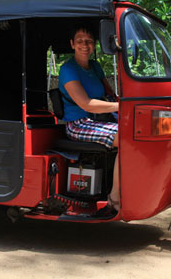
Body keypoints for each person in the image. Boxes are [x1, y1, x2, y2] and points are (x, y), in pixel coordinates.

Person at [59, 26, 120, 215]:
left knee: (140, 131)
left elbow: (109, 95)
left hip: (100, 120)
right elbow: (86, 104)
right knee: (128, 139)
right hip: (78, 124)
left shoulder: (95, 67)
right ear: (72, 44)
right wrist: (122, 107)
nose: (85, 45)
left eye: (89, 41)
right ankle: (114, 200)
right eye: (80, 40)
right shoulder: (68, 69)